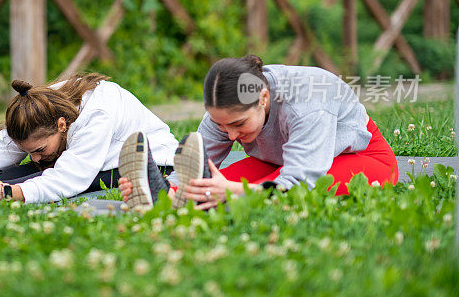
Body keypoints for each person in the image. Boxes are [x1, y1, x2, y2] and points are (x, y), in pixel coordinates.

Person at [119, 55, 398, 211]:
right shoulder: (227, 103)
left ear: (263, 98)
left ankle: (219, 200)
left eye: (239, 125)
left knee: (253, 195)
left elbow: (300, 181)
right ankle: (163, 199)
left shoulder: (307, 103)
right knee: (211, 187)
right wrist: (169, 185)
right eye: (221, 126)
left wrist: (237, 190)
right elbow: (197, 162)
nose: (229, 136)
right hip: (278, 160)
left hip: (361, 159)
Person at [0, 73, 179, 204]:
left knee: (58, 174)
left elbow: (70, 178)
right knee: (31, 169)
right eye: (28, 151)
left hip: (153, 163)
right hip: (87, 157)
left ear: (61, 125)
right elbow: (5, 154)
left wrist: (3, 192)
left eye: (38, 148)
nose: (34, 157)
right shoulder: (36, 107)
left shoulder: (97, 114)